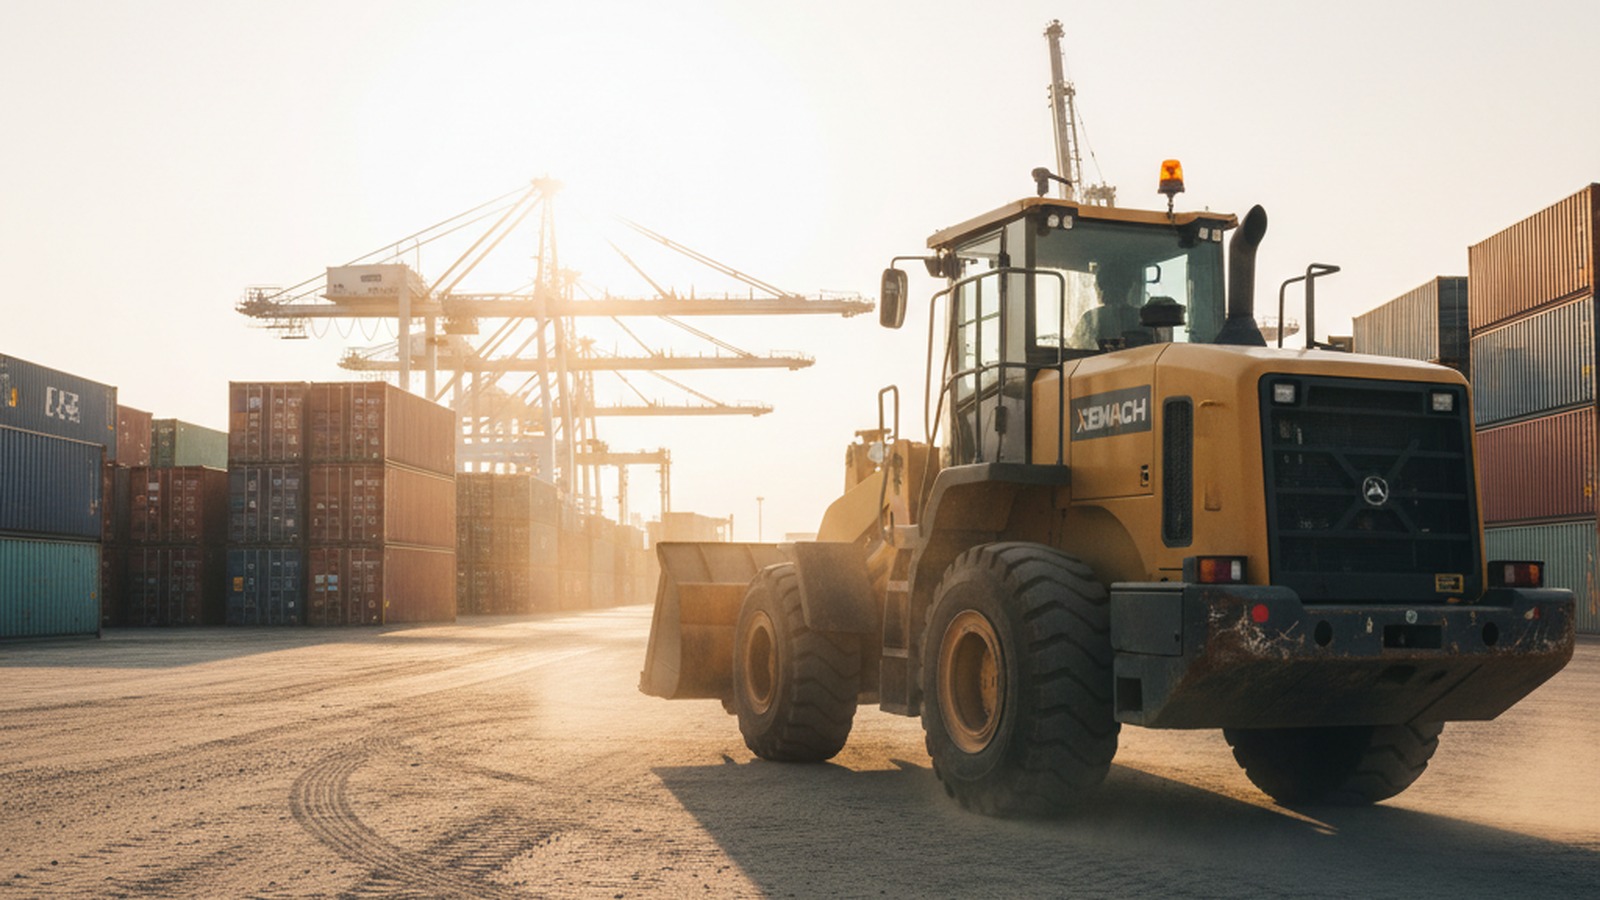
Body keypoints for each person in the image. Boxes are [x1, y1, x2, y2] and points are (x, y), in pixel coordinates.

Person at [1071, 263, 1147, 349]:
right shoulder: (1143, 318)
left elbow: (1077, 347)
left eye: (1101, 285)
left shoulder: (1091, 318)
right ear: (1130, 286)